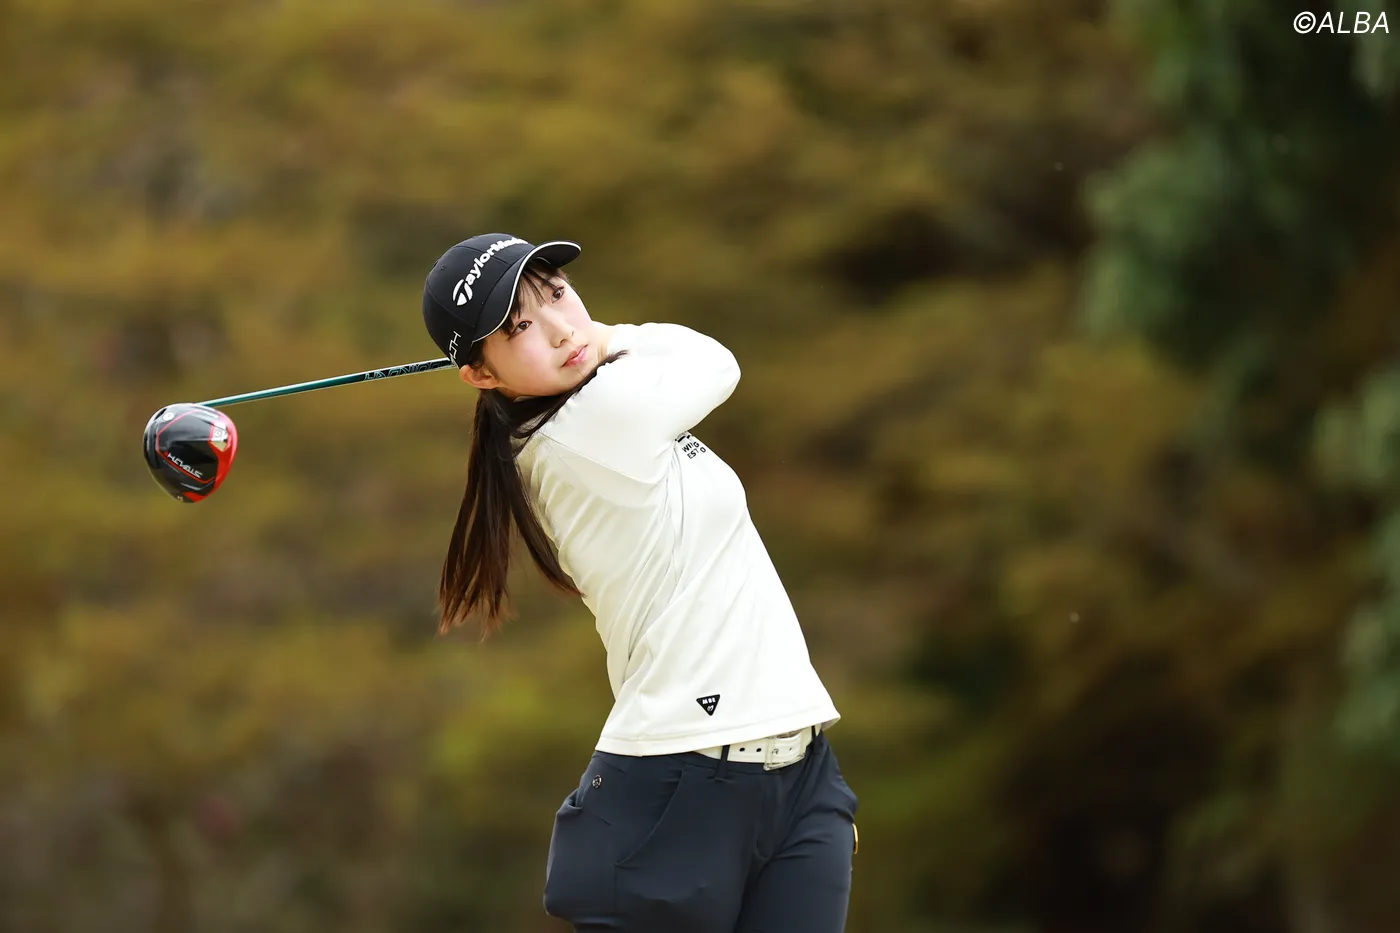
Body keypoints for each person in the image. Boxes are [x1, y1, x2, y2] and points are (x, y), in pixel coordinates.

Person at [421, 233, 859, 932]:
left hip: (797, 768)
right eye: (519, 327)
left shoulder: (585, 415)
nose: (561, 328)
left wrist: (582, 341)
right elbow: (714, 362)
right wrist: (607, 335)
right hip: (683, 783)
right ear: (479, 375)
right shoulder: (588, 427)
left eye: (557, 293)